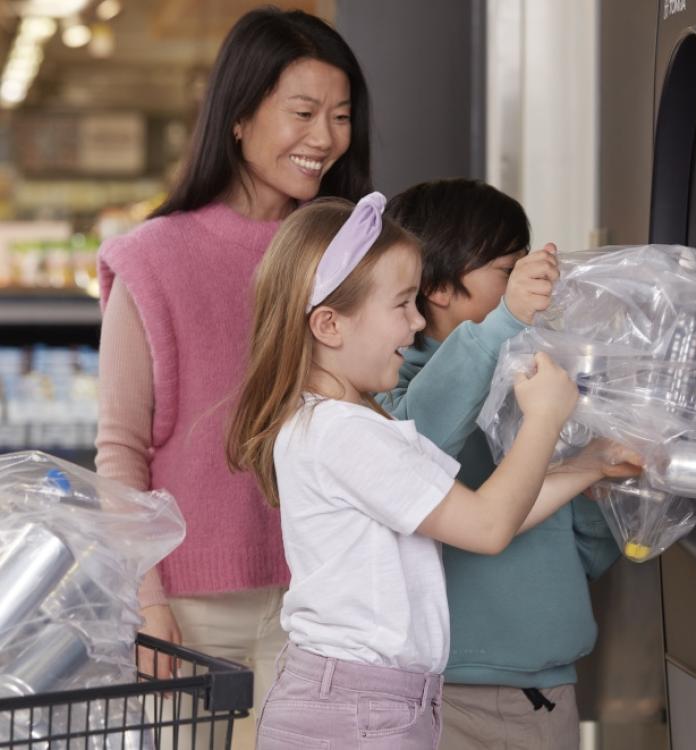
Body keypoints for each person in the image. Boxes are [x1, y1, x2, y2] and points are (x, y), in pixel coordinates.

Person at [226, 192, 627, 749]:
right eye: (402, 305)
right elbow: (489, 527)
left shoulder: (338, 424)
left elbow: (481, 511)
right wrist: (543, 419)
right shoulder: (347, 433)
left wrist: (588, 465)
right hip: (359, 710)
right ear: (329, 325)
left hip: (364, 700)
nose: (416, 323)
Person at [94, 7, 372, 742]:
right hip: (189, 612)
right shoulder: (150, 259)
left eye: (341, 117)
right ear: (240, 118)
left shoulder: (349, 258)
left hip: (321, 599)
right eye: (304, 112)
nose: (325, 138)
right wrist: (147, 604)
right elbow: (121, 449)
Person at [380, 179, 641, 750]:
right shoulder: (389, 380)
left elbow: (581, 545)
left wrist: (598, 490)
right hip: (437, 694)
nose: (530, 281)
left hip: (547, 690)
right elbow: (415, 447)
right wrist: (504, 323)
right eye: (507, 268)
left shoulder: (533, 375)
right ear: (439, 287)